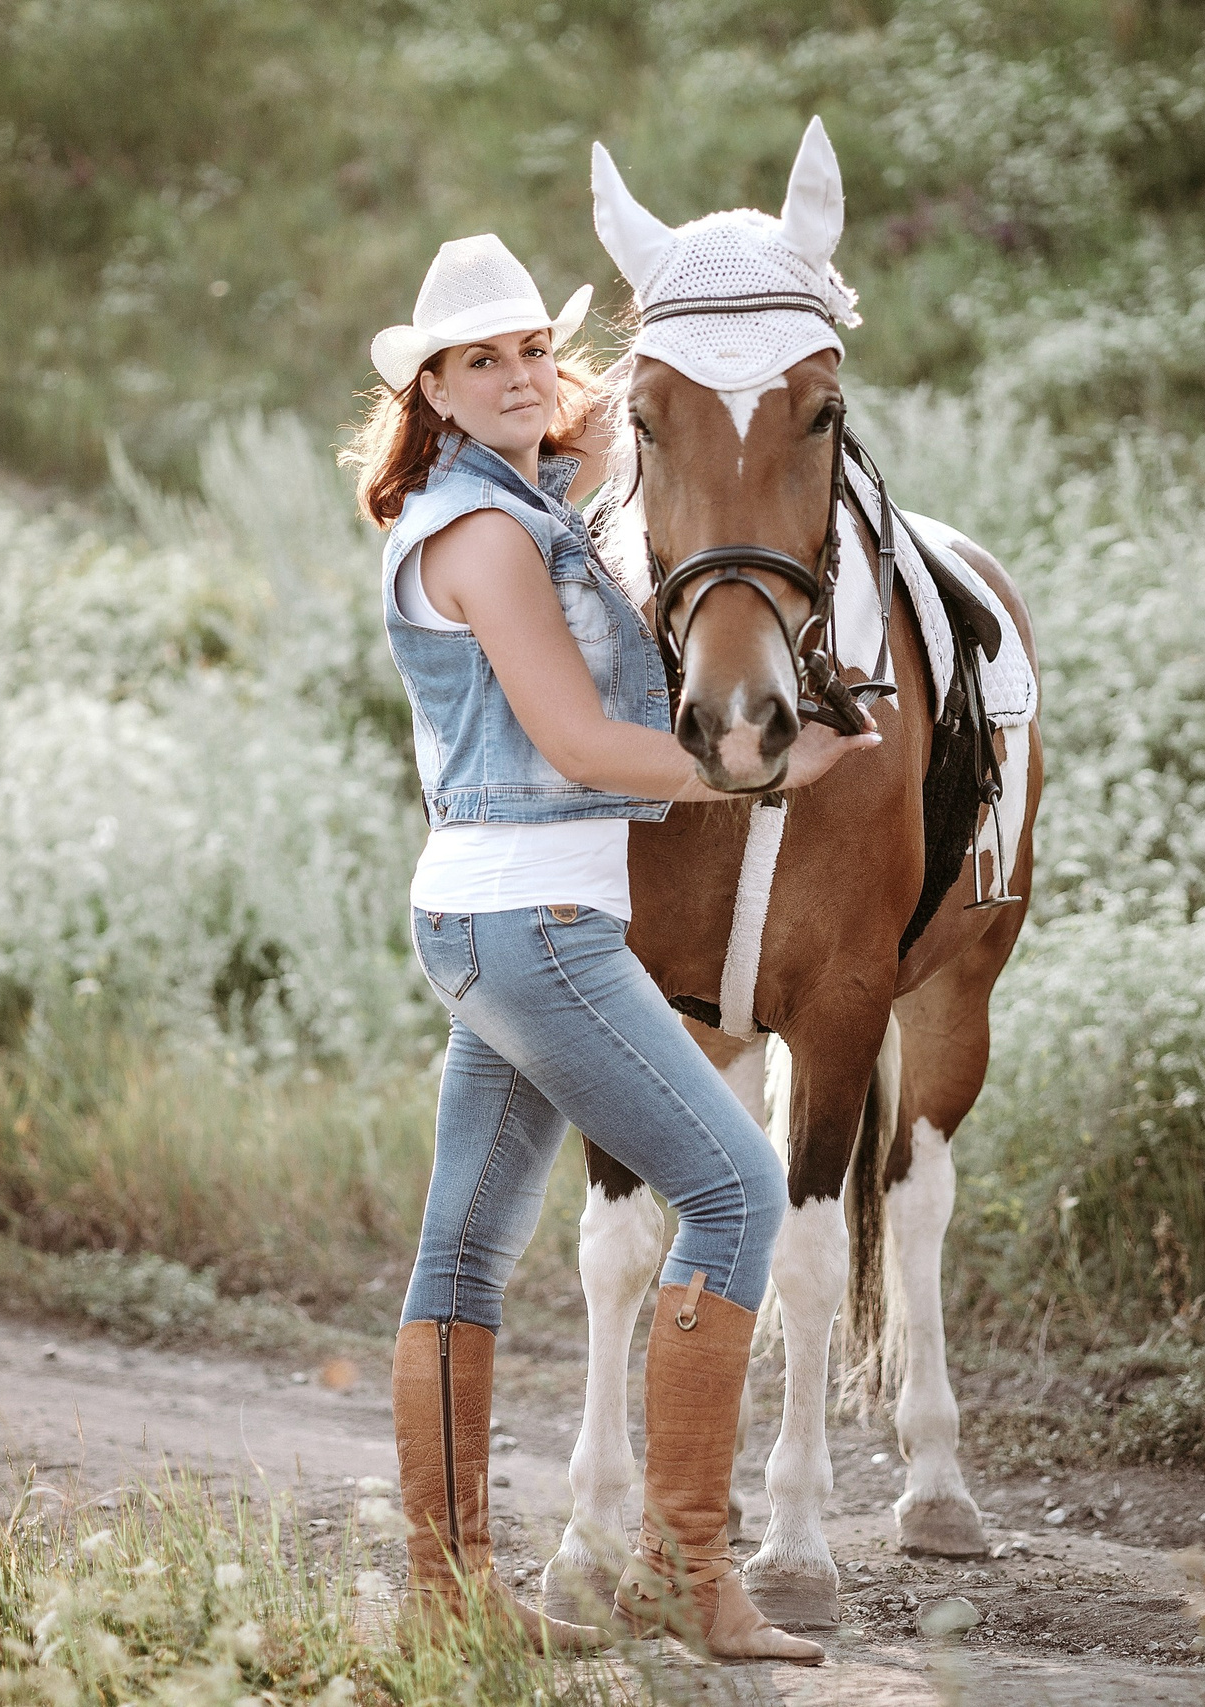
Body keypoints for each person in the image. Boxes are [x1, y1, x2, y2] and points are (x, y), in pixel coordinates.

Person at [344, 233, 872, 1665]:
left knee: (461, 1253)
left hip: (488, 912)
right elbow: (577, 741)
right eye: (480, 361)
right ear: (434, 390)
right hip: (536, 921)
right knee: (740, 1194)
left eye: (531, 351)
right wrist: (775, 776)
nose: (517, 376)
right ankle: (691, 1574)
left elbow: (682, 429)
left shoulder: (520, 499)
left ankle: (450, 1598)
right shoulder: (487, 536)